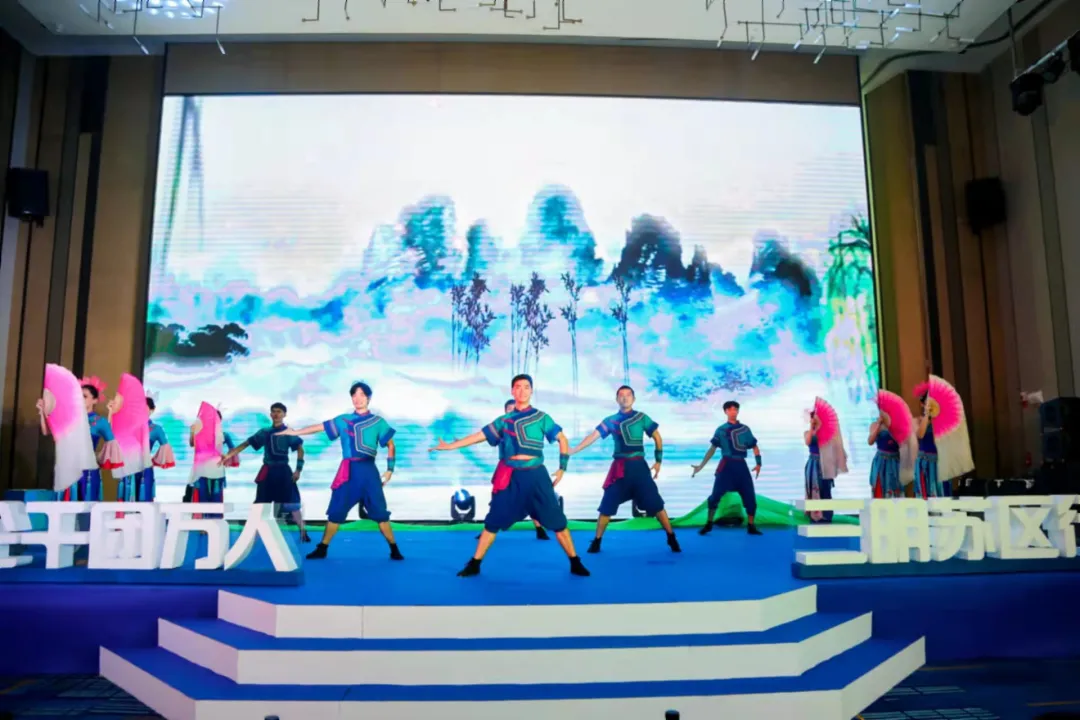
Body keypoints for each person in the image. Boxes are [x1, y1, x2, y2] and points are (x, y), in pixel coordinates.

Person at [430, 374, 589, 577]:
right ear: (512, 391)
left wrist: (562, 467)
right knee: (493, 522)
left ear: (531, 391)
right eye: (518, 387)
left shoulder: (542, 417)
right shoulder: (504, 421)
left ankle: (575, 562)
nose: (522, 391)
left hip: (537, 477)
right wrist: (450, 446)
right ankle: (475, 564)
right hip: (511, 478)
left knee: (558, 522)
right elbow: (478, 436)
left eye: (526, 387)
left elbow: (562, 439)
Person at [282, 382, 403, 561]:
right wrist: (295, 432)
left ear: (368, 398)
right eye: (354, 395)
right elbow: (319, 427)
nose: (358, 398)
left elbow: (391, 445)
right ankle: (322, 548)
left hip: (369, 472)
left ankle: (394, 549)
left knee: (380, 513)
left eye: (362, 395)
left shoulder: (378, 422)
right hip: (348, 473)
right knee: (336, 511)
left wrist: (390, 470)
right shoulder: (343, 419)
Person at [569, 385, 679, 553]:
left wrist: (658, 461)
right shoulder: (611, 420)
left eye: (628, 395)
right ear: (617, 399)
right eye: (621, 395)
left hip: (639, 468)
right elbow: (593, 436)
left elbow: (657, 437)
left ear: (633, 399)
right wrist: (573, 450)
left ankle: (671, 537)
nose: (625, 398)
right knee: (606, 506)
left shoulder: (642, 417)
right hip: (620, 470)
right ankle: (597, 541)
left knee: (656, 504)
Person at [220, 402, 310, 542]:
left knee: (292, 503)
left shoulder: (289, 432)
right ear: (270, 414)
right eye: (274, 411)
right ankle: (250, 533)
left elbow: (300, 449)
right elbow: (246, 443)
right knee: (260, 504)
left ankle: (303, 531)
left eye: (279, 411)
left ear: (284, 414)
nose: (276, 414)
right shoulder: (265, 432)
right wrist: (229, 455)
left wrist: (298, 470)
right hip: (268, 472)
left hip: (284, 472)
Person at [474, 399, 549, 541]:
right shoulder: (502, 426)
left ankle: (539, 529)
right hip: (505, 468)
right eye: (510, 409)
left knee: (531, 497)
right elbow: (488, 438)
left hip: (524, 468)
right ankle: (488, 529)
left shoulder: (526, 428)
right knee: (498, 499)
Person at [691, 400, 763, 536]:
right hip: (726, 466)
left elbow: (754, 446)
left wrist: (759, 463)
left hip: (741, 466)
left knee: (749, 496)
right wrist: (701, 466)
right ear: (725, 412)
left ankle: (751, 525)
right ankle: (709, 523)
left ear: (738, 411)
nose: (733, 412)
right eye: (730, 409)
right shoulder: (721, 430)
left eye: (735, 409)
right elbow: (712, 449)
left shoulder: (745, 429)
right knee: (715, 496)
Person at [803, 397, 847, 524]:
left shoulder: (827, 433)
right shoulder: (808, 432)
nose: (814, 419)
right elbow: (808, 442)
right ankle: (814, 514)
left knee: (825, 488)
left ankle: (826, 515)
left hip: (825, 462)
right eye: (813, 417)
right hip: (813, 463)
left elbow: (833, 447)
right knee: (813, 488)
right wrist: (812, 428)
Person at [188, 407, 237, 509]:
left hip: (216, 469)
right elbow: (192, 444)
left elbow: (233, 449)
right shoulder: (200, 434)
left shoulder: (224, 435)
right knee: (202, 498)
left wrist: (226, 456)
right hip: (202, 469)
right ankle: (203, 518)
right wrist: (192, 432)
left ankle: (215, 517)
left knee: (216, 498)